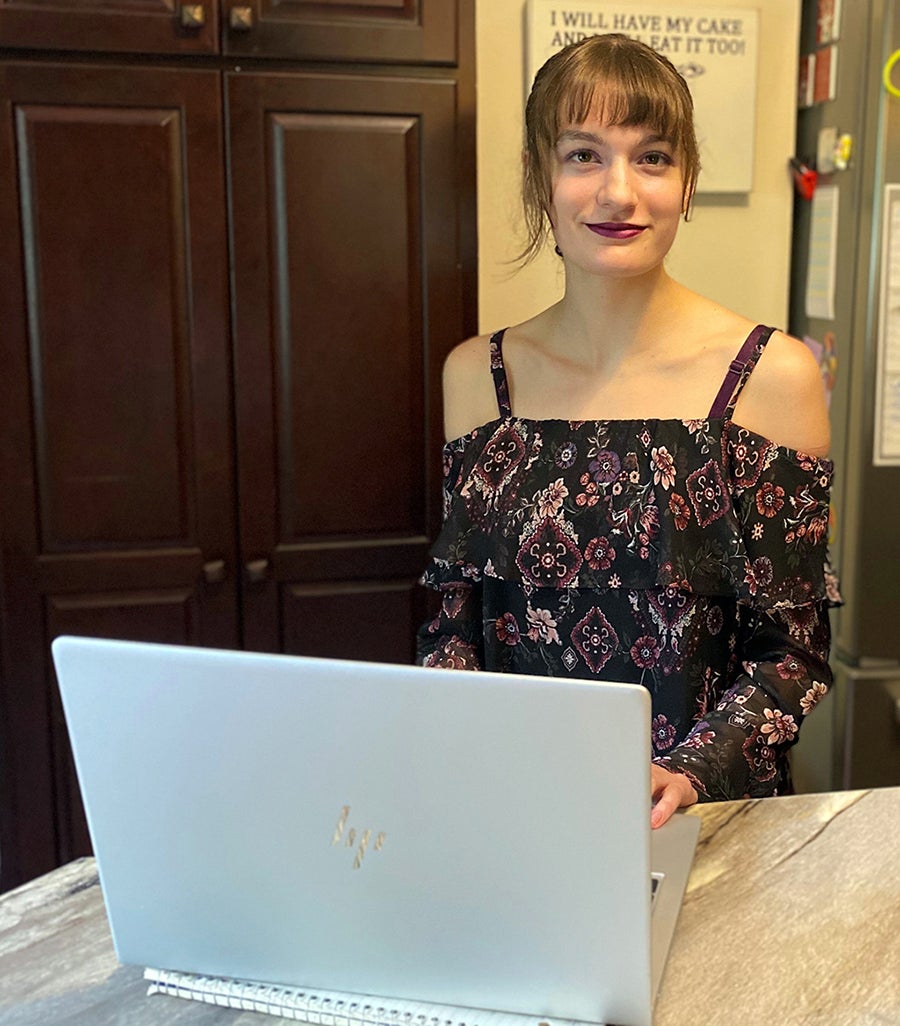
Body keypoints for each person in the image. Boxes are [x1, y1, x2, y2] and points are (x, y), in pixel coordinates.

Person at [416, 33, 840, 828]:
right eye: (583, 155)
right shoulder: (478, 376)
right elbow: (452, 621)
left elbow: (793, 654)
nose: (619, 192)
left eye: (651, 157)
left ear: (686, 185)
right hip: (519, 812)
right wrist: (468, 740)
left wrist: (685, 775)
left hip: (704, 825)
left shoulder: (770, 378)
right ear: (540, 178)